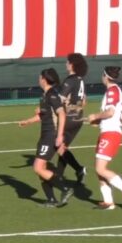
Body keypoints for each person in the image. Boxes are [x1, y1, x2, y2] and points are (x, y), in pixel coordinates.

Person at [17, 68, 71, 208]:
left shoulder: (52, 94)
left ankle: (65, 189)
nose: (38, 79)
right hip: (44, 135)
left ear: (44, 79)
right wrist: (28, 121)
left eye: (39, 77)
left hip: (50, 135)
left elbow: (62, 114)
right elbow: (43, 115)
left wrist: (59, 136)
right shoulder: (44, 95)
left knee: (38, 167)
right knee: (42, 169)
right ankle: (51, 199)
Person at [87, 66, 122, 210]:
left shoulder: (112, 90)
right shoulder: (113, 91)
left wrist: (96, 116)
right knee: (99, 169)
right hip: (108, 131)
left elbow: (110, 112)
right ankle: (108, 201)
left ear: (105, 76)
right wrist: (98, 121)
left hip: (111, 132)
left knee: (100, 169)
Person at [57, 53, 89, 182]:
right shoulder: (81, 80)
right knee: (63, 147)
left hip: (68, 118)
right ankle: (60, 175)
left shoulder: (70, 80)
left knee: (58, 145)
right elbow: (84, 100)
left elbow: (60, 99)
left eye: (67, 62)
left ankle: (77, 169)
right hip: (78, 118)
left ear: (72, 65)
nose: (66, 64)